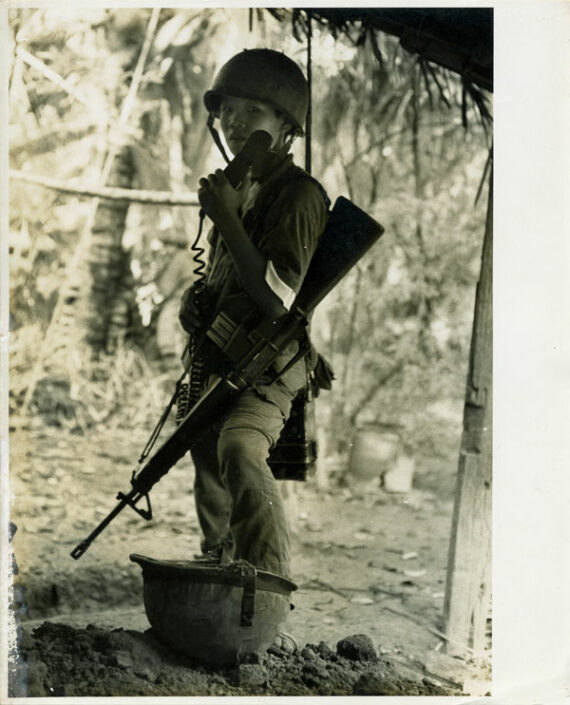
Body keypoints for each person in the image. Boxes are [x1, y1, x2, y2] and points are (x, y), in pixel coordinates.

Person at [178, 49, 329, 579]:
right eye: (228, 110)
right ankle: (219, 568)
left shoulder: (300, 196)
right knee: (201, 443)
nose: (236, 122)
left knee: (239, 448)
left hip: (270, 365)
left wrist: (226, 216)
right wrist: (192, 306)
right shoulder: (239, 190)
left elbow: (276, 297)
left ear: (286, 128)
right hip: (223, 354)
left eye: (254, 111)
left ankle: (264, 588)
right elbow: (224, 276)